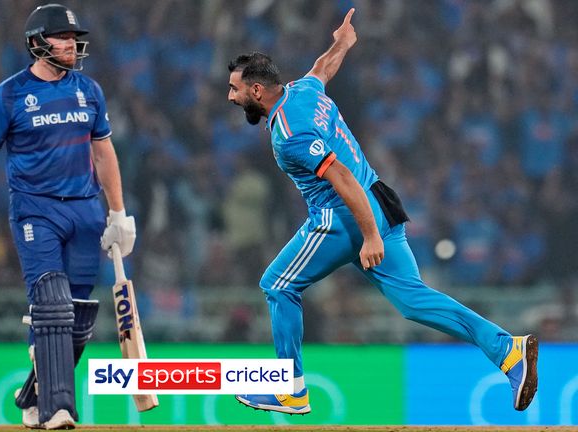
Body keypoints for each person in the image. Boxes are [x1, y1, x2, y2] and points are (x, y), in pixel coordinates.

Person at [226, 8, 538, 415]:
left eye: (234, 89)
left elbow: (340, 177)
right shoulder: (302, 90)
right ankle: (507, 351)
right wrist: (343, 42)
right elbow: (324, 67)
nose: (230, 97)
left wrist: (369, 234)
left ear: (255, 91)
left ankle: (290, 389)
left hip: (344, 217)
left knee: (278, 285)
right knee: (414, 301)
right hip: (380, 198)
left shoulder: (288, 133)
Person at [0, 4, 136, 430]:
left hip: (85, 210)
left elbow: (103, 152)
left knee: (78, 319)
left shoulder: (90, 90)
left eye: (73, 36)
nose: (71, 44)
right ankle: (58, 408)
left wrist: (119, 212)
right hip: (35, 211)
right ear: (36, 43)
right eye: (61, 36)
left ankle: (31, 392)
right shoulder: (9, 94)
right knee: (52, 305)